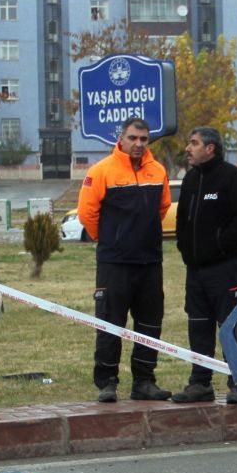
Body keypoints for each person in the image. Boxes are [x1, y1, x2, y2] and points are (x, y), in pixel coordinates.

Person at [77, 117, 172, 402]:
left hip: (149, 262)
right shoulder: (101, 170)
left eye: (144, 139)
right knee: (110, 322)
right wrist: (110, 240)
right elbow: (87, 213)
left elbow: (163, 207)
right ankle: (107, 382)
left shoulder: (158, 171)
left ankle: (144, 381)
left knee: (150, 324)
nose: (138, 144)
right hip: (114, 264)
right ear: (122, 138)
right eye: (133, 138)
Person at [171, 127, 237, 404]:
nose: (188, 148)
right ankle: (200, 383)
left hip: (226, 268)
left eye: (194, 143)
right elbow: (182, 219)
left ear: (211, 148)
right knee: (198, 325)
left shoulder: (233, 179)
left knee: (230, 325)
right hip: (195, 271)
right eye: (189, 142)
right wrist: (185, 249)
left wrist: (221, 244)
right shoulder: (191, 180)